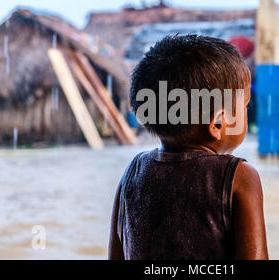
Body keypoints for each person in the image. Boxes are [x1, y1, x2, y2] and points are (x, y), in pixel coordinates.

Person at [109, 35, 268, 260]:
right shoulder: (239, 178)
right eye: (245, 106)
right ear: (219, 123)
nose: (246, 111)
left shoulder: (133, 172)